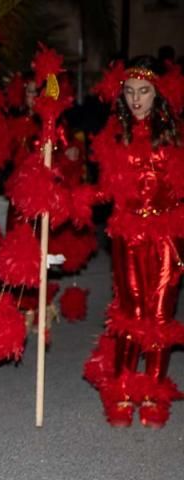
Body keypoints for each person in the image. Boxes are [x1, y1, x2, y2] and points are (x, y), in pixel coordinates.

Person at [85, 55, 184, 427]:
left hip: (167, 236)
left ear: (158, 94)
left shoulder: (175, 138)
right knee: (131, 312)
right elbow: (104, 191)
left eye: (144, 91)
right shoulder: (115, 137)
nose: (136, 99)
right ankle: (123, 388)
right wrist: (66, 198)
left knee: (159, 313)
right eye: (129, 92)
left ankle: (154, 390)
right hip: (126, 235)